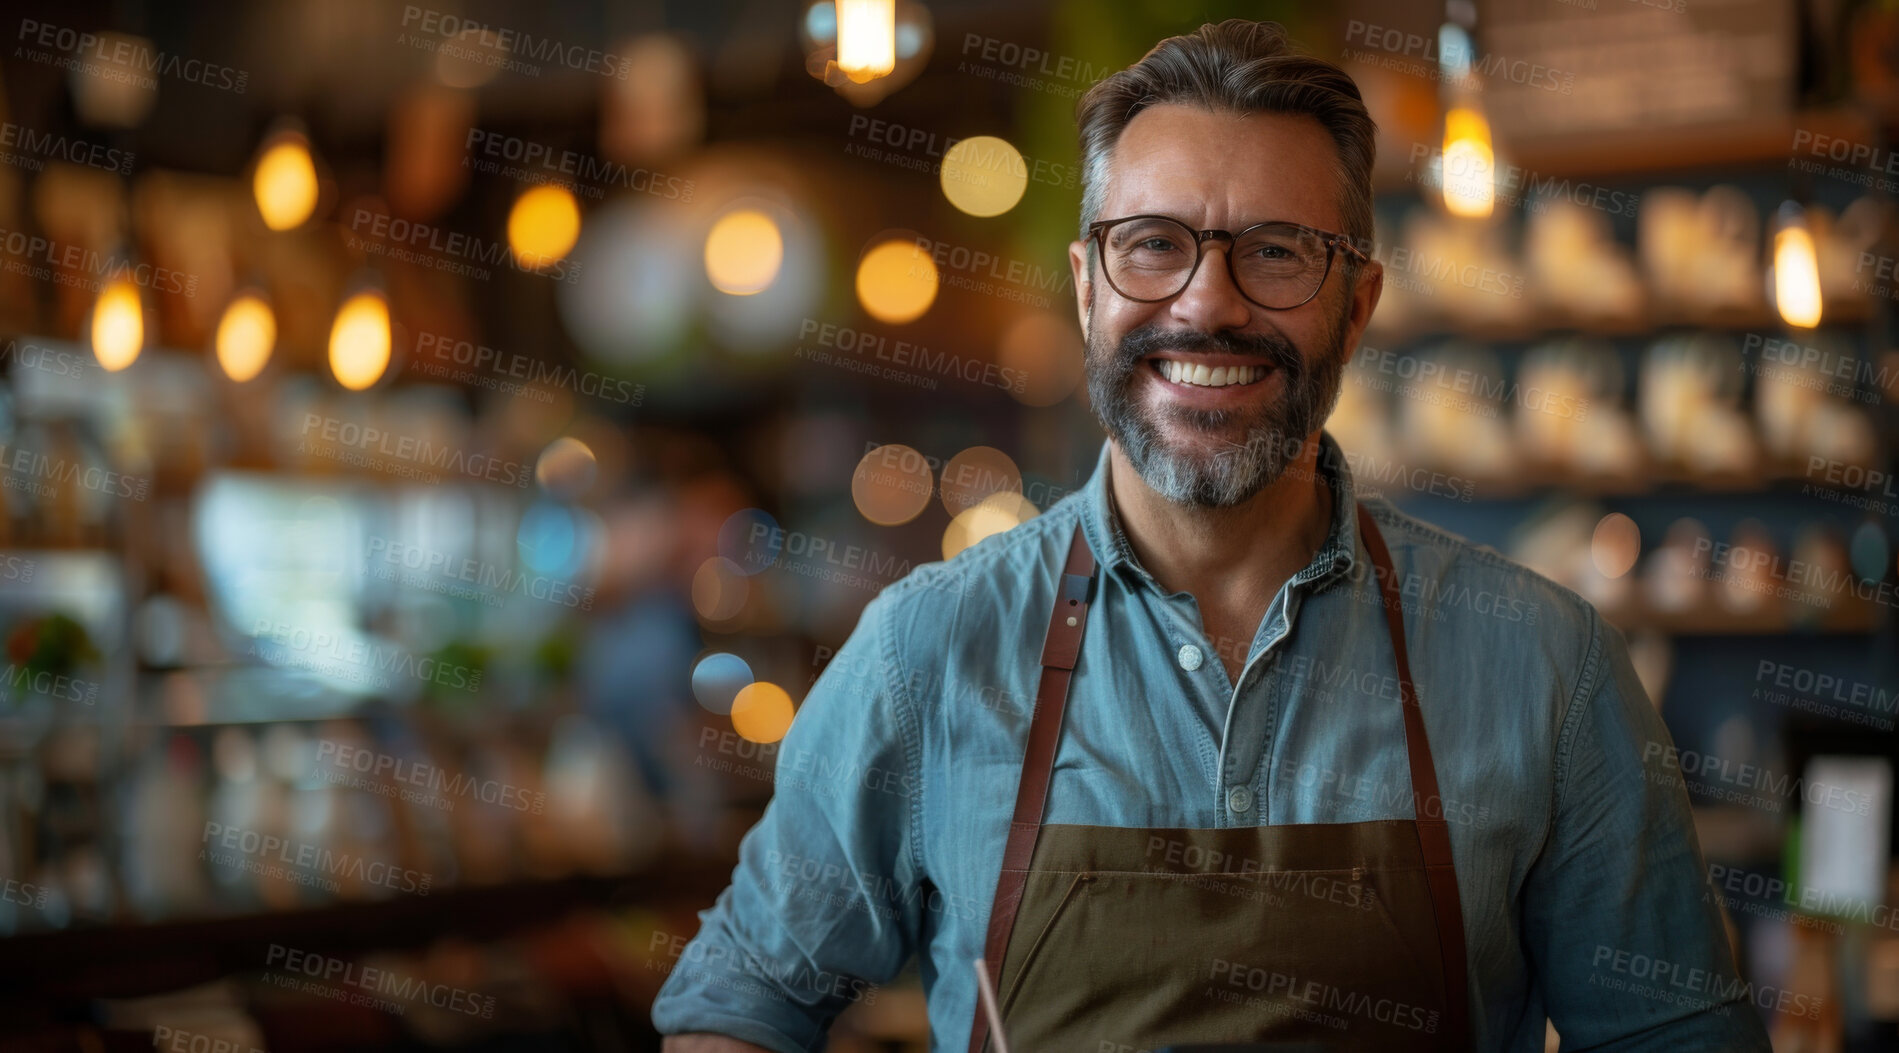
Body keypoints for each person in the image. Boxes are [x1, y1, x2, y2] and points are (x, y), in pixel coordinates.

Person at [654, 19, 1770, 1052]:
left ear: (1360, 304)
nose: (1206, 305)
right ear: (1088, 288)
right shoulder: (928, 652)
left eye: (1278, 251)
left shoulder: (1543, 667)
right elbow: (741, 1005)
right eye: (1152, 246)